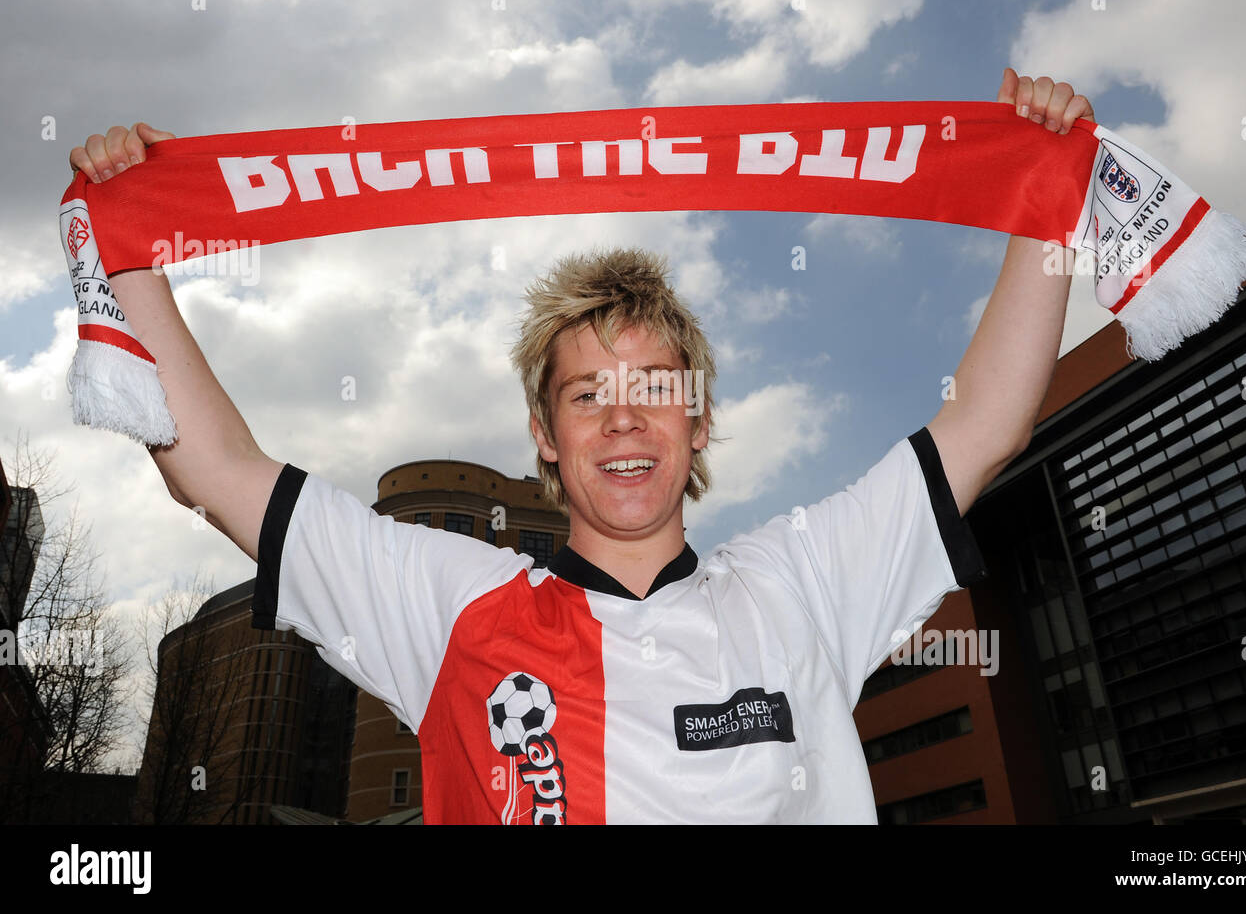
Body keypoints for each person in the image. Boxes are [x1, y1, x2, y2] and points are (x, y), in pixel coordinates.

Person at [70, 68, 1094, 823]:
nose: (622, 416)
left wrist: (1044, 190)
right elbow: (216, 471)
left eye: (655, 387)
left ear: (696, 419)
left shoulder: (804, 581)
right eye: (587, 394)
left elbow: (985, 423)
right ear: (544, 439)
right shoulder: (453, 606)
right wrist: (137, 252)